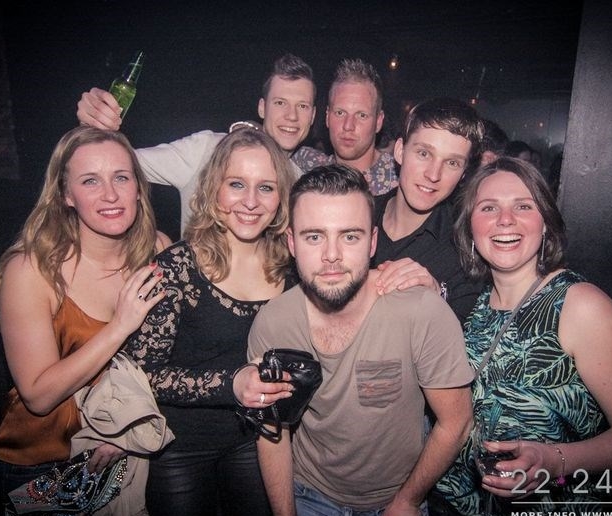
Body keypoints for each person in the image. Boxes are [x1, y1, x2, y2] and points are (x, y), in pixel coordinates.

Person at [429, 157, 612, 516]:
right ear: (470, 228)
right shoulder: (475, 305)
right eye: (489, 208)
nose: (505, 220)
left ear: (546, 223)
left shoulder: (580, 306)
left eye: (523, 206)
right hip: (459, 514)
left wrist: (554, 461)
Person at [242, 164, 474, 516]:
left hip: (394, 504)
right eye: (314, 237)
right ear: (292, 243)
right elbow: (273, 433)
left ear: (372, 242)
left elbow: (457, 421)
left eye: (349, 236)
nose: (331, 255)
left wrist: (408, 500)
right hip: (307, 496)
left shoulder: (420, 310)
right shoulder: (275, 322)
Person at [0, 125, 172, 516]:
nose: (110, 194)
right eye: (90, 181)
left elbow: (174, 357)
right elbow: (38, 395)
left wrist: (126, 431)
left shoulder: (157, 251)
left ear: (138, 187)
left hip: (123, 452)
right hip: (42, 466)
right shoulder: (31, 270)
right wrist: (119, 326)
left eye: (121, 177)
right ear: (66, 194)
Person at [115, 127, 300, 516]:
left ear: (281, 197)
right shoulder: (177, 267)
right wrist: (231, 384)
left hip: (257, 443)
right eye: (236, 184)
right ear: (214, 188)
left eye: (266, 187)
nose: (250, 202)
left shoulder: (292, 271)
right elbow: (144, 374)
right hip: (180, 448)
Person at [77, 53, 317, 232]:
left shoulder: (303, 182)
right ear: (262, 108)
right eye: (280, 103)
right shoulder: (206, 150)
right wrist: (91, 125)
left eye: (302, 106)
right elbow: (119, 165)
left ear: (314, 116)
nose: (292, 116)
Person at [371, 96, 485, 323]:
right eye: (424, 153)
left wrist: (436, 299)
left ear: (463, 174)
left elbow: (461, 333)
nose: (433, 175)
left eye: (452, 163)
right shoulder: (357, 216)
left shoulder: (467, 248)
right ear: (400, 151)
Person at [294, 58, 398, 195]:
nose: (348, 126)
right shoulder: (306, 166)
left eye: (361, 115)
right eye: (340, 113)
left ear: (378, 122)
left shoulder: (399, 180)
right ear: (327, 117)